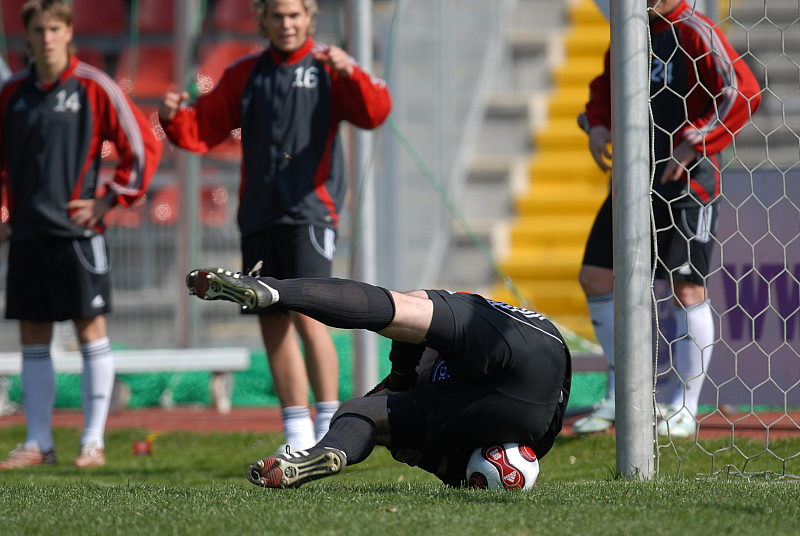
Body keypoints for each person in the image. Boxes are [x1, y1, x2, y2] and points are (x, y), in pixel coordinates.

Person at [158, 0, 392, 450]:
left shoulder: (328, 67)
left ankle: (329, 425)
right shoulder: (245, 74)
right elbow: (203, 128)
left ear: (309, 18)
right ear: (261, 19)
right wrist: (172, 117)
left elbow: (375, 111)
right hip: (259, 216)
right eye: (277, 16)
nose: (286, 24)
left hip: (309, 212)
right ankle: (295, 431)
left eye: (295, 15)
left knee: (310, 313)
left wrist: (352, 71)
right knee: (271, 318)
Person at [184, 266, 571, 488]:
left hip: (524, 352)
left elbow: (405, 327)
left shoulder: (413, 368)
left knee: (402, 307)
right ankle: (320, 454)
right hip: (536, 405)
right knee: (366, 405)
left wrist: (399, 378)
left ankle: (275, 291)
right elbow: (439, 463)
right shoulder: (453, 426)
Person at [573, 0, 761, 436]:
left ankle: (684, 408)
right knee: (596, 276)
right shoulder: (629, 31)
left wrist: (698, 139)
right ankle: (623, 395)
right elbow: (605, 86)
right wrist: (598, 123)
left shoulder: (696, 30)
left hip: (688, 181)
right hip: (633, 181)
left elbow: (743, 91)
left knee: (686, 287)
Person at [0, 0, 162, 469]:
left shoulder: (95, 86)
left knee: (91, 332)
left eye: (55, 28)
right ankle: (38, 443)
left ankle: (92, 442)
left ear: (68, 32)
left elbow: (142, 144)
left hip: (77, 235)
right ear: (26, 36)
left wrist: (109, 201)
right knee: (33, 336)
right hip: (28, 235)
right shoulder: (12, 93)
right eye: (38, 29)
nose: (46, 37)